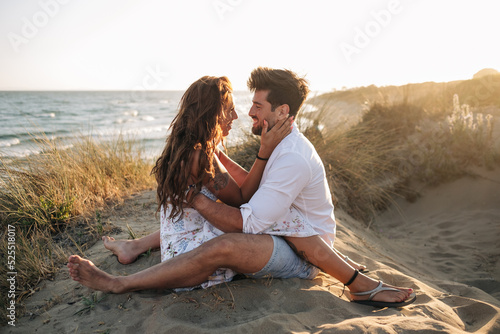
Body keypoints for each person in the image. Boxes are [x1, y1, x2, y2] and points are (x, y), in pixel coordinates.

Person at [68, 68, 416, 308]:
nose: (241, 115)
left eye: (254, 107)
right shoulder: (207, 152)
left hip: (295, 252)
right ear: (210, 114)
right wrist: (260, 156)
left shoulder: (263, 153)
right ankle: (356, 281)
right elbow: (244, 198)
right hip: (213, 248)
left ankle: (355, 279)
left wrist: (201, 200)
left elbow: (244, 198)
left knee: (243, 221)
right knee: (244, 219)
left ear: (282, 111)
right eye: (232, 109)